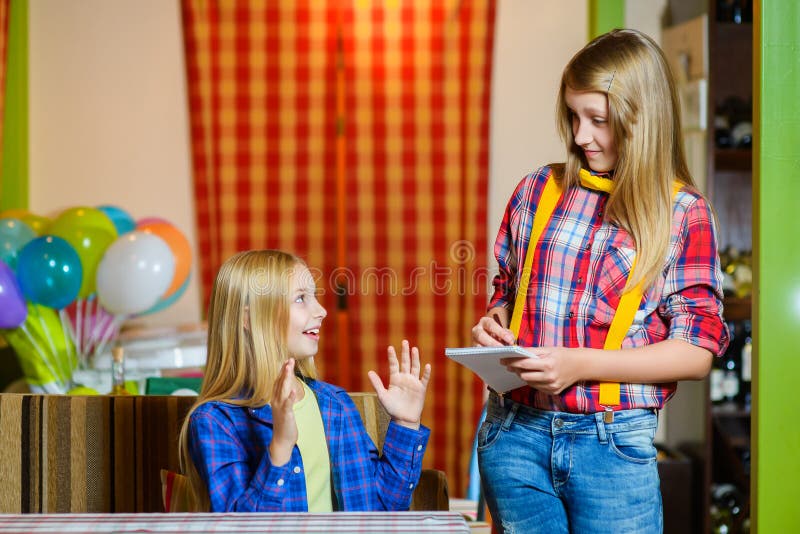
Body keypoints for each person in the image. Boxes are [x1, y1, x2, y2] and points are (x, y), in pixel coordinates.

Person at [471, 29, 729, 533]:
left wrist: (580, 364)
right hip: (514, 436)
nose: (580, 136)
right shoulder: (536, 191)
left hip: (611, 447)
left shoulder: (682, 213)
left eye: (599, 121)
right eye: (573, 116)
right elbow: (507, 291)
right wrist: (494, 324)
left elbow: (697, 351)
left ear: (643, 121)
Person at [178, 249, 432, 512]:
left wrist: (406, 422)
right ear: (248, 318)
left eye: (314, 297)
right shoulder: (215, 421)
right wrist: (280, 447)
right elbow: (240, 527)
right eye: (300, 298)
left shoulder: (336, 406)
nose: (321, 310)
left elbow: (380, 507)